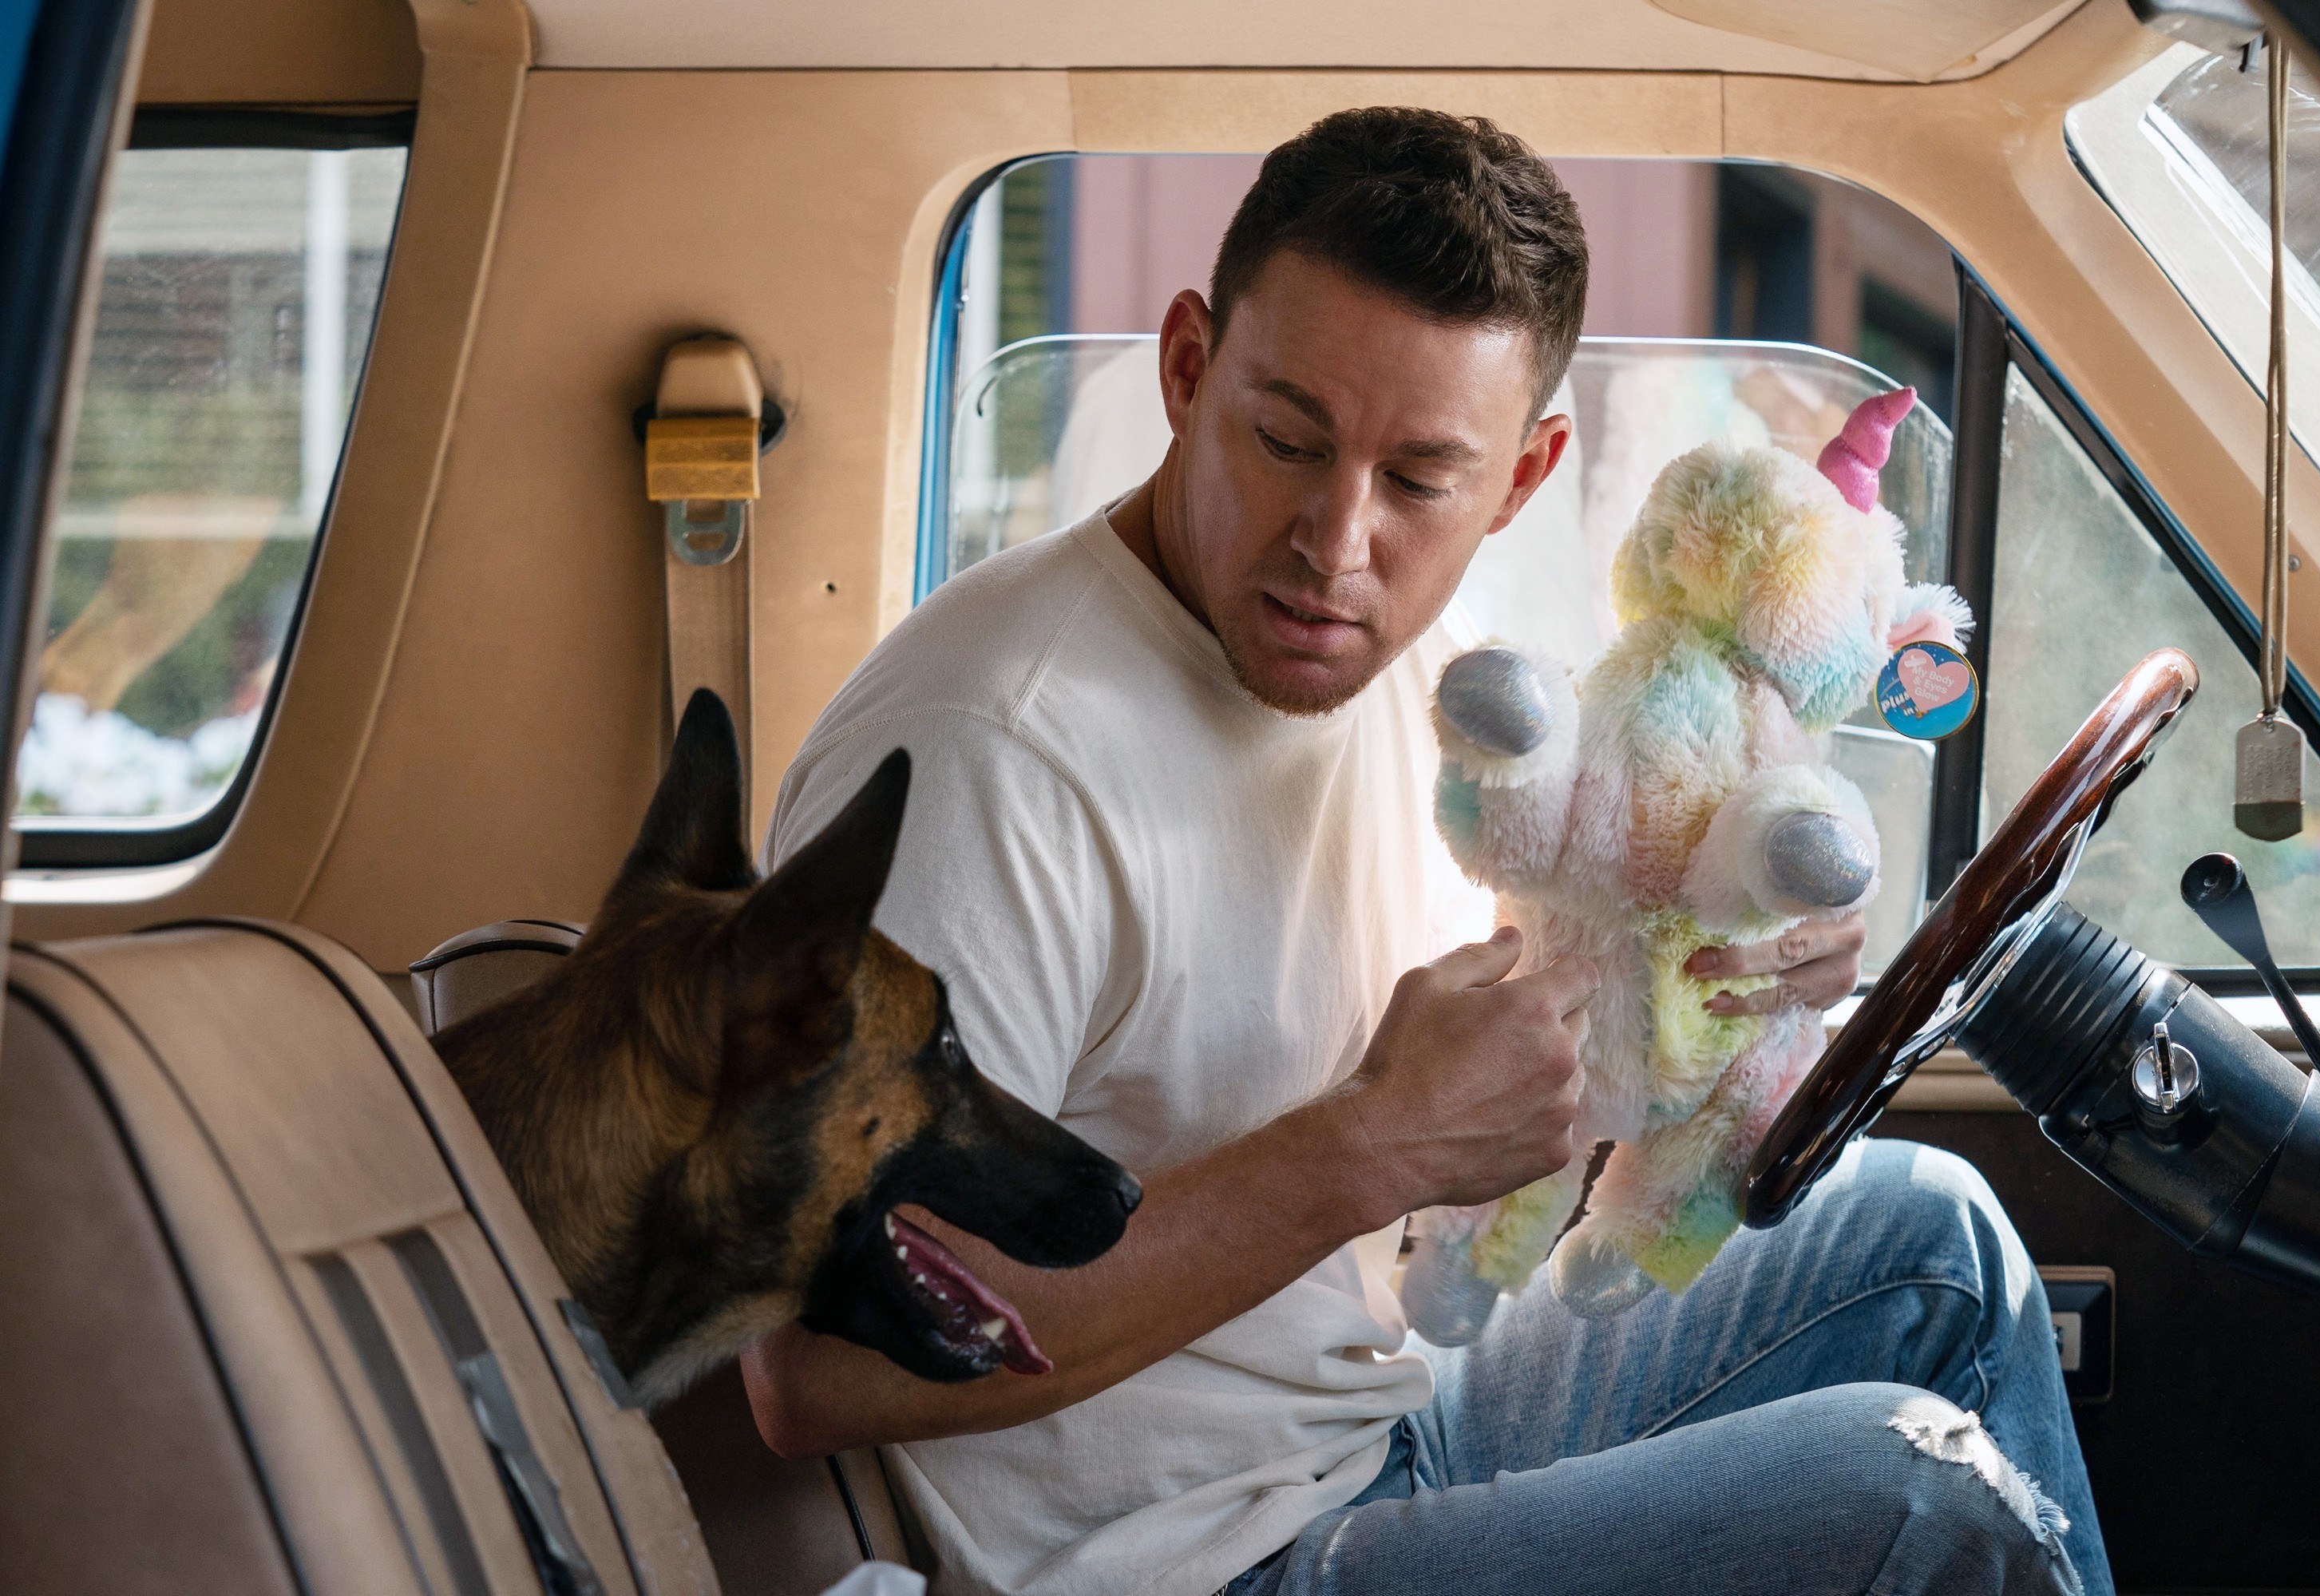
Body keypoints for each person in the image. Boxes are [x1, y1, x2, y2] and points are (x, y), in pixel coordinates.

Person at [745, 106, 2107, 1596]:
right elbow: (814, 1365)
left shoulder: (1402, 658)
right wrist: (1368, 1147)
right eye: (1286, 441)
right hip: (1195, 1562)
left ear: (1521, 480)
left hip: (1381, 1415)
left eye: (1417, 481)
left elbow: (1562, 940)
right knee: (1914, 1499)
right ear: (1188, 370)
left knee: (1939, 1243)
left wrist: (1728, 951)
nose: (1335, 542)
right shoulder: (985, 754)